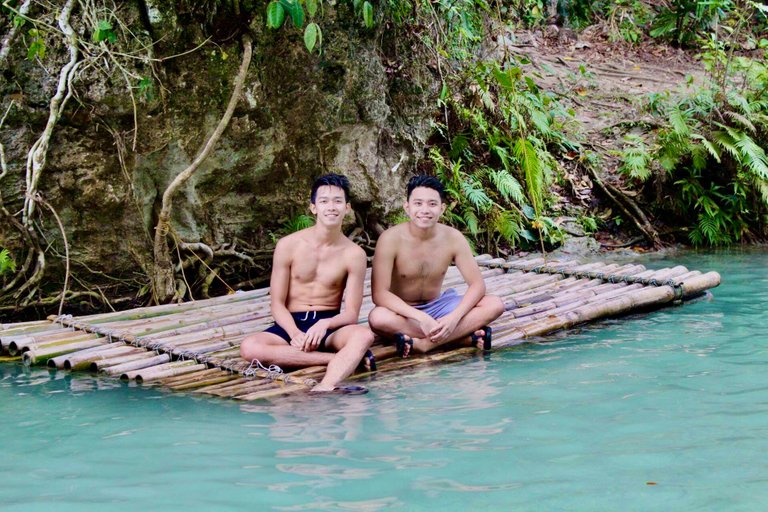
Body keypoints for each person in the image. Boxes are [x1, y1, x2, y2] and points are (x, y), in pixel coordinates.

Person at [240, 174, 375, 393]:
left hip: (329, 325)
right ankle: (339, 359)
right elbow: (277, 303)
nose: (331, 207)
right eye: (324, 201)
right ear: (313, 208)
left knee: (364, 335)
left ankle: (326, 386)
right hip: (291, 323)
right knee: (250, 347)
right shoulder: (288, 246)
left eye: (337, 201)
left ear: (347, 208)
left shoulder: (354, 254)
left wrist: (324, 325)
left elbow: (350, 314)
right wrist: (295, 334)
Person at [368, 175, 505, 357]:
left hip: (440, 306)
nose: (424, 210)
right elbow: (379, 294)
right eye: (418, 204)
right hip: (404, 312)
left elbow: (477, 285)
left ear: (442, 208)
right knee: (377, 318)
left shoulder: (453, 238)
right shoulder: (390, 239)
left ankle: (425, 345)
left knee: (494, 304)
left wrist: (454, 318)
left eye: (432, 204)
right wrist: (421, 318)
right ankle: (460, 337)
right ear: (407, 207)